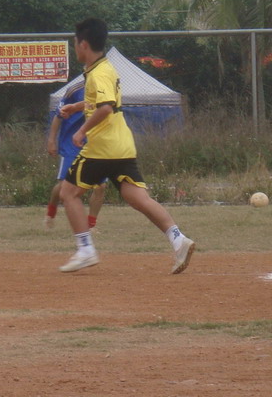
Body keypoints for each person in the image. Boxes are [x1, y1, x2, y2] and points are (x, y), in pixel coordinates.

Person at [57, 17, 194, 274]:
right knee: (137, 197)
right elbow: (104, 102)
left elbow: (106, 108)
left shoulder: (98, 74)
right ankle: (178, 239)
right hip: (122, 146)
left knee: (68, 193)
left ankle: (85, 250)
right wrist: (77, 107)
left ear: (83, 44)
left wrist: (81, 130)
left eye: (75, 43)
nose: (74, 48)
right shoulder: (105, 68)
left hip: (102, 148)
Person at [44, 85, 105, 229]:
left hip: (95, 143)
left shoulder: (105, 87)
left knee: (100, 186)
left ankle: (91, 226)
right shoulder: (75, 90)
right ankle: (50, 213)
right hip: (71, 143)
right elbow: (58, 115)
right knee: (64, 185)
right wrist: (51, 140)